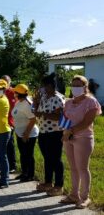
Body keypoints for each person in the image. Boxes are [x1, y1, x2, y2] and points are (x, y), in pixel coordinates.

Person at [60, 75, 102, 209]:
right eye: (73, 85)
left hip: (83, 138)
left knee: (82, 168)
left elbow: (86, 123)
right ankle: (74, 195)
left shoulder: (91, 102)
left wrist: (70, 131)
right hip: (68, 137)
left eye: (79, 85)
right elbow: (65, 119)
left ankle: (85, 197)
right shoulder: (68, 102)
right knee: (72, 168)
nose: (75, 88)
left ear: (85, 87)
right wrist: (65, 133)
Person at [34, 74, 65, 196]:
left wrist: (44, 114)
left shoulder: (58, 98)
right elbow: (37, 114)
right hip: (43, 132)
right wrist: (36, 104)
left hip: (55, 133)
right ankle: (48, 183)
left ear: (51, 86)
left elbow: (58, 116)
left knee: (56, 159)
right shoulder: (44, 97)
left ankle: (59, 185)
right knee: (47, 158)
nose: (42, 88)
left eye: (44, 86)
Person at [11, 84, 39, 182]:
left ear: (18, 94)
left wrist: (26, 133)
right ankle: (24, 173)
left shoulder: (27, 104)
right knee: (23, 154)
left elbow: (33, 119)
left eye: (15, 92)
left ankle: (30, 175)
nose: (14, 93)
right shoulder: (19, 102)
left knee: (28, 154)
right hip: (20, 132)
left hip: (28, 134)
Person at [0, 75, 17, 173]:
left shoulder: (13, 93)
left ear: (9, 83)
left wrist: (11, 122)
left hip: (9, 123)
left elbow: (14, 109)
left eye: (6, 82)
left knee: (9, 145)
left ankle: (12, 165)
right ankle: (0, 163)